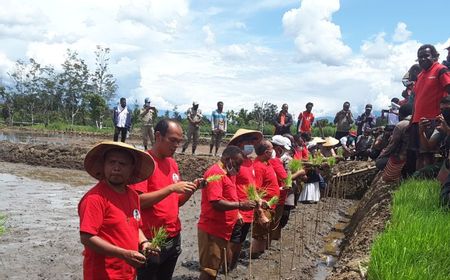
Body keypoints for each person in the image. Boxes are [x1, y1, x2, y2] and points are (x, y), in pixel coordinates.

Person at [131, 119, 199, 280]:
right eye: (172, 140)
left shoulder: (172, 163)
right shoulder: (144, 163)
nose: (176, 145)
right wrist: (171, 189)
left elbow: (177, 202)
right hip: (151, 239)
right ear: (158, 136)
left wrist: (191, 190)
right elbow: (137, 202)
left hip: (173, 235)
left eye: (179, 141)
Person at [78, 141, 156, 280]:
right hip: (102, 274)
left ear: (132, 168)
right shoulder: (95, 198)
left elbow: (134, 227)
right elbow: (87, 237)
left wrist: (144, 243)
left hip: (128, 272)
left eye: (122, 164)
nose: (116, 168)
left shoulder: (133, 195)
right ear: (104, 165)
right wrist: (123, 254)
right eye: (112, 162)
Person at [197, 146, 256, 280]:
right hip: (212, 230)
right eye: (238, 164)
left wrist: (237, 214)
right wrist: (240, 205)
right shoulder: (215, 173)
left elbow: (230, 196)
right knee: (209, 270)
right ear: (228, 159)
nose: (239, 168)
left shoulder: (228, 173)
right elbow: (216, 202)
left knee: (215, 266)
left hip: (223, 229)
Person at [226, 129, 263, 271]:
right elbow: (230, 186)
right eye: (248, 142)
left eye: (252, 142)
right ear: (240, 144)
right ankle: (226, 269)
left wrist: (258, 199)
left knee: (240, 242)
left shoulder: (249, 162)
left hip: (248, 210)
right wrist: (236, 211)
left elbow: (251, 185)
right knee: (233, 242)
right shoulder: (234, 163)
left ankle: (232, 268)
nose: (251, 145)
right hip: (238, 209)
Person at [410, 44, 450, 170]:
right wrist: (412, 121)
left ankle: (428, 183)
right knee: (419, 154)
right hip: (417, 121)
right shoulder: (420, 76)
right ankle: (416, 184)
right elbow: (417, 100)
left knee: (428, 154)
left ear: (435, 57)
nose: (422, 59)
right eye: (419, 57)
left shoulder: (440, 70)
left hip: (432, 120)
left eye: (426, 56)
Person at [251, 140, 280, 257]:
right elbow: (255, 190)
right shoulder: (258, 167)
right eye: (272, 148)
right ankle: (254, 254)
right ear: (266, 152)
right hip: (264, 206)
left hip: (270, 205)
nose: (274, 150)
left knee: (264, 231)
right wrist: (261, 211)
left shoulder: (267, 163)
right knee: (259, 232)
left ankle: (260, 253)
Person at [376, 104, 413, 172]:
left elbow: (392, 146)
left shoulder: (401, 125)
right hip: (416, 158)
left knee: (379, 162)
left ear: (401, 114)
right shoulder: (417, 122)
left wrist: (381, 156)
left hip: (404, 158)